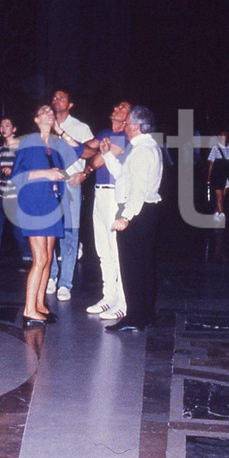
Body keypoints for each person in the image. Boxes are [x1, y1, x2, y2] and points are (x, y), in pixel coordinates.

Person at [10, 105, 79, 326]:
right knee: (39, 259)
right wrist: (47, 173)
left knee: (48, 258)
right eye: (43, 111)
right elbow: (17, 176)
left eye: (51, 111)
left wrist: (60, 131)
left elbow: (78, 149)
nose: (49, 112)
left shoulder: (56, 144)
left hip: (51, 205)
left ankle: (40, 305)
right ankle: (29, 310)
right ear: (36, 119)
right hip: (34, 204)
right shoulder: (29, 143)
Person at [100, 105, 163, 333]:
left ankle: (135, 317)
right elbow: (123, 177)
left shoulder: (141, 151)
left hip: (136, 212)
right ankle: (145, 314)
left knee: (132, 267)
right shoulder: (144, 147)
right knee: (143, 265)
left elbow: (137, 190)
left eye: (126, 123)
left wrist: (125, 217)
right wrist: (107, 154)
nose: (124, 127)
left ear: (135, 126)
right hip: (145, 211)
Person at [71, 101, 131, 321]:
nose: (115, 108)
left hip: (115, 195)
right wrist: (65, 140)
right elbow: (87, 146)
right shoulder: (105, 132)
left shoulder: (125, 136)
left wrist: (84, 172)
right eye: (116, 106)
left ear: (128, 117)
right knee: (102, 249)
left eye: (122, 108)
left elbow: (97, 159)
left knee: (116, 251)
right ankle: (109, 297)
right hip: (99, 194)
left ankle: (123, 302)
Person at [47, 88, 94, 301]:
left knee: (70, 232)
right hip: (49, 183)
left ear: (70, 104)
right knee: (49, 231)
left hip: (71, 182)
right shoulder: (45, 124)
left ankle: (66, 282)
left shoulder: (81, 127)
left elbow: (93, 153)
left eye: (62, 97)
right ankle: (52, 275)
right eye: (54, 97)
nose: (57, 100)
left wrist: (85, 173)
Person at [0, 116, 32, 277]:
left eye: (7, 125)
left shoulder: (22, 147)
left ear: (14, 129)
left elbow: (27, 168)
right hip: (0, 193)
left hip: (16, 194)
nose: (4, 128)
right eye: (2, 125)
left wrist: (13, 170)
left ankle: (28, 257)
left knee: (19, 229)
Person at [206, 130, 229, 224]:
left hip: (226, 175)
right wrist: (208, 177)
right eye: (221, 135)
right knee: (219, 195)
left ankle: (215, 213)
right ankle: (222, 215)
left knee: (222, 196)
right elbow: (211, 163)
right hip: (217, 174)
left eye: (225, 135)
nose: (223, 137)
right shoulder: (215, 148)